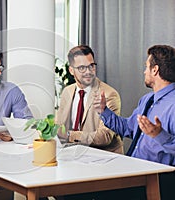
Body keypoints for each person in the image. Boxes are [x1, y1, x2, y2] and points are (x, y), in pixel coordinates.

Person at [94, 44, 175, 199]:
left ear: (155, 70)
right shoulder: (147, 100)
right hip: (133, 172)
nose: (144, 71)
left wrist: (159, 135)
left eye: (146, 67)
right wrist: (104, 111)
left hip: (157, 181)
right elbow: (128, 128)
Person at [55, 45, 123, 154]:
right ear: (71, 70)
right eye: (82, 68)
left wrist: (70, 135)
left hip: (103, 159)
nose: (88, 71)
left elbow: (105, 136)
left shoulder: (109, 94)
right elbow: (58, 126)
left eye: (91, 66)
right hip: (74, 155)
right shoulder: (67, 92)